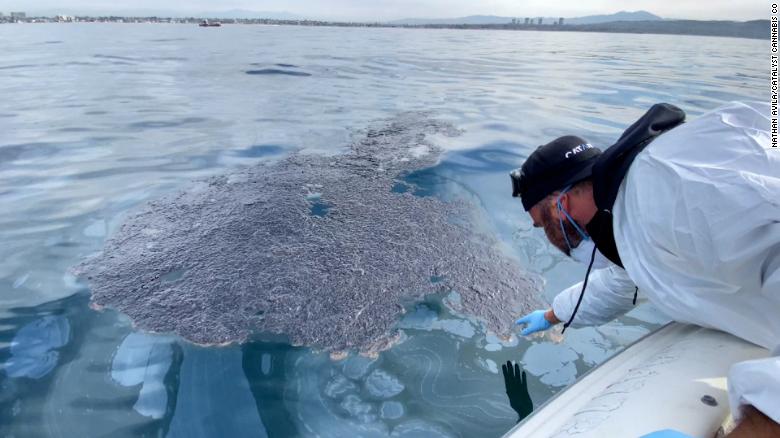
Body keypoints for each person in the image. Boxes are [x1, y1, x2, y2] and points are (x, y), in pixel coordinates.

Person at [510, 101, 779, 435]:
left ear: (560, 205)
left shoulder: (672, 190)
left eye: (543, 225)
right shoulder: (632, 210)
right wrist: (553, 314)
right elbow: (626, 281)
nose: (550, 237)